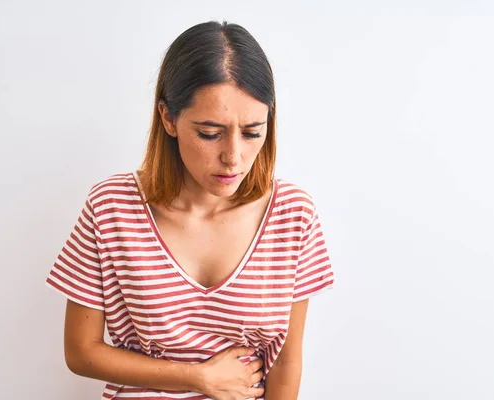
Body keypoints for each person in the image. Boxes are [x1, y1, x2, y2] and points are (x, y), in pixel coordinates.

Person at [45, 20, 335, 400]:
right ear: (168, 118)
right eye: (210, 133)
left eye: (251, 132)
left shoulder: (292, 215)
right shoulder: (111, 206)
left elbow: (285, 362)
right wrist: (198, 378)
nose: (233, 157)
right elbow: (81, 352)